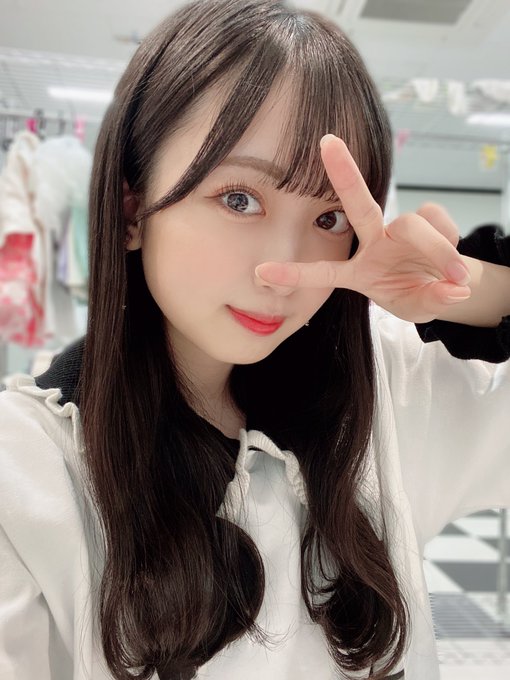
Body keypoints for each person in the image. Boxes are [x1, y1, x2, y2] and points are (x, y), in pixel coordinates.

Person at [1, 1, 509, 679]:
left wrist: (478, 291)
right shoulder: (28, 471)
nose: (283, 270)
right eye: (240, 199)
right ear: (131, 208)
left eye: (328, 217)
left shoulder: (387, 395)